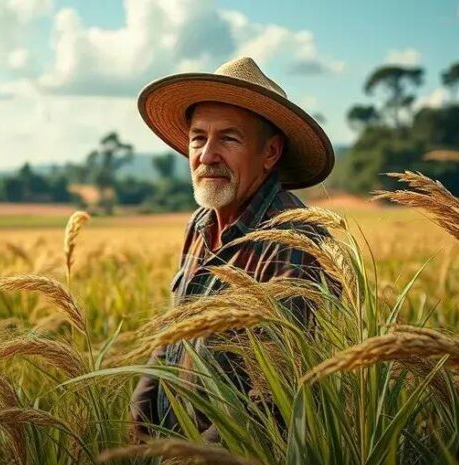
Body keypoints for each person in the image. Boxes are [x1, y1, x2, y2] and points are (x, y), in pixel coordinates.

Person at [128, 56, 338, 441]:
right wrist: (139, 426)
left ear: (270, 153)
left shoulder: (293, 240)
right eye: (198, 138)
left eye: (228, 138)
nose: (207, 155)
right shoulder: (201, 222)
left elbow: (276, 397)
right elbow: (174, 335)